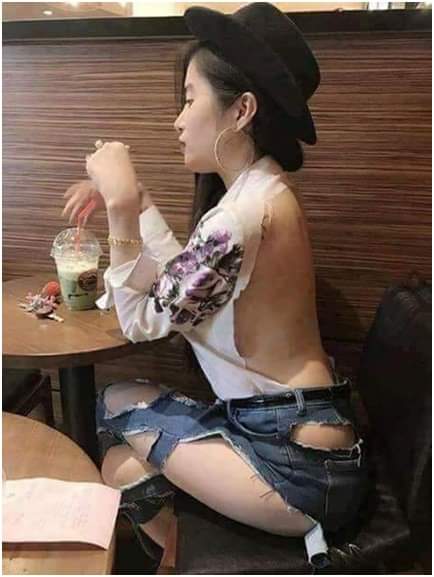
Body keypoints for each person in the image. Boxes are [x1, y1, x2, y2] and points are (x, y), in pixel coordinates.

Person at [62, 2, 368, 569]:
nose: (177, 120)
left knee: (112, 406)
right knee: (119, 454)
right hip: (289, 432)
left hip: (299, 465)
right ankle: (178, 555)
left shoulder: (242, 216)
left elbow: (143, 321)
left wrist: (122, 207)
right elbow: (184, 282)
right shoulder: (258, 192)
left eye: (189, 98)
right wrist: (140, 201)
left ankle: (181, 557)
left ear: (242, 110)